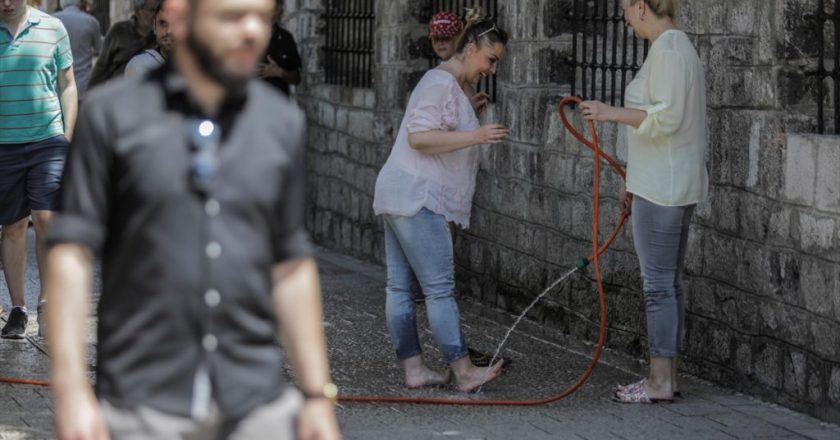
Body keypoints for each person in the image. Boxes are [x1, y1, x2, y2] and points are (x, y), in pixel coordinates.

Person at [44, 0, 341, 438]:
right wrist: (70, 390)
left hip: (253, 400)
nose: (252, 32)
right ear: (186, 18)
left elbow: (292, 264)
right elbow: (71, 254)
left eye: (263, 18)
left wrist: (316, 395)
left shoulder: (279, 123)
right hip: (140, 399)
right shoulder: (111, 115)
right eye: (233, 17)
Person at [579, 0, 707, 404]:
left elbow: (665, 117)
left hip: (663, 188)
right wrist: (633, 178)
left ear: (639, 7)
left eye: (624, 8)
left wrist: (608, 112)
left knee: (658, 286)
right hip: (666, 182)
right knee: (667, 284)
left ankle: (659, 382)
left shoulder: (669, 49)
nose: (623, 17)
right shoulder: (676, 47)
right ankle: (666, 378)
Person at [372, 18, 509, 392]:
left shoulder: (448, 84)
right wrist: (477, 135)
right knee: (439, 288)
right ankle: (464, 372)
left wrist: (470, 117)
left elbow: (438, 131)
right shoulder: (439, 82)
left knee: (399, 289)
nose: (492, 70)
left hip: (399, 192)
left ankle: (415, 370)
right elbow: (419, 138)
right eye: (490, 60)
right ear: (470, 49)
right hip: (419, 197)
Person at [0, 0, 78, 339]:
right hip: (4, 144)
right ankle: (18, 309)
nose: (6, 3)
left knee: (47, 219)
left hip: (48, 139)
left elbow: (68, 84)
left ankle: (48, 302)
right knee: (13, 225)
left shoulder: (53, 28)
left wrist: (66, 136)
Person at [87, 0, 157, 86]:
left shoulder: (161, 37)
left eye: (158, 10)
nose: (155, 15)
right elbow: (102, 67)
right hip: (119, 91)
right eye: (152, 10)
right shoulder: (118, 32)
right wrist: (90, 93)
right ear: (138, 11)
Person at [54, 0, 102, 101]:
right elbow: (100, 50)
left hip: (58, 89)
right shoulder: (91, 21)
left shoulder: (52, 20)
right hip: (82, 87)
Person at [256, 0, 300, 95]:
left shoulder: (286, 38)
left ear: (280, 11)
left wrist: (280, 72)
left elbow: (296, 79)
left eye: (274, 9)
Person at [123, 0, 171, 77]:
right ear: (155, 27)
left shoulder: (195, 67)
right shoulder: (139, 66)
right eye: (162, 24)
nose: (169, 31)